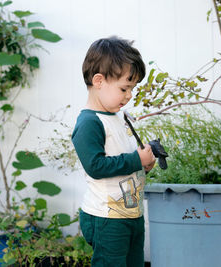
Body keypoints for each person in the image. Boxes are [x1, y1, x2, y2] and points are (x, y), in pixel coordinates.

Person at [72, 36, 156, 267]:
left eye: (132, 88)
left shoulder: (118, 118)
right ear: (98, 81)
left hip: (130, 214)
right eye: (124, 88)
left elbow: (123, 158)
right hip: (106, 218)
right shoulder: (90, 122)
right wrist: (135, 159)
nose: (129, 95)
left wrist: (144, 164)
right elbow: (96, 166)